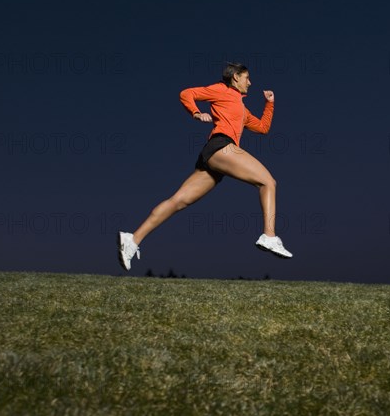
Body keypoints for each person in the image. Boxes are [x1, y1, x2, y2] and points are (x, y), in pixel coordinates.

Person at [117, 62, 293, 271]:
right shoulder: (221, 90)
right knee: (268, 182)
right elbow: (187, 93)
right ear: (235, 77)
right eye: (247, 78)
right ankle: (269, 236)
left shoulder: (242, 110)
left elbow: (263, 128)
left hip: (215, 159)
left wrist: (269, 104)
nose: (250, 82)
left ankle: (133, 239)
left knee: (178, 201)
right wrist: (196, 113)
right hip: (221, 146)